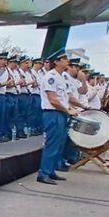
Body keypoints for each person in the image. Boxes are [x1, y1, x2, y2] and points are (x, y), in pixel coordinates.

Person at [37, 48, 74, 185]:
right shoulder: (51, 77)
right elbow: (52, 99)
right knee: (52, 144)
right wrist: (67, 110)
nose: (67, 61)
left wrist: (70, 108)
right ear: (57, 62)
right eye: (64, 59)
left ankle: (51, 170)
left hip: (60, 113)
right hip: (53, 113)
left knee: (59, 144)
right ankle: (44, 173)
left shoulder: (61, 77)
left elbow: (64, 97)